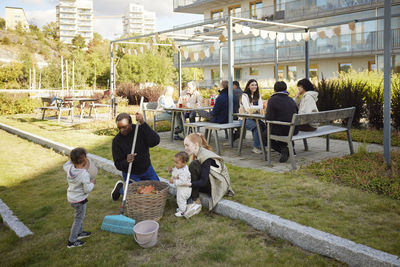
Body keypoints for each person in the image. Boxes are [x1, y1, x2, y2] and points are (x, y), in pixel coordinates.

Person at [182, 133, 234, 219]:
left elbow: (203, 181)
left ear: (196, 145)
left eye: (187, 145)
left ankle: (196, 201)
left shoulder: (206, 157)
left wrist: (189, 184)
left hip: (217, 185)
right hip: (209, 181)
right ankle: (188, 199)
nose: (185, 148)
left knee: (193, 166)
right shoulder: (199, 151)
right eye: (184, 145)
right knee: (188, 173)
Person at [111, 112, 160, 201]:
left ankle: (126, 187)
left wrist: (142, 122)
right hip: (131, 172)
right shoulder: (117, 141)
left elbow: (155, 141)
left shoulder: (139, 130)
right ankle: (121, 189)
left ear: (130, 124)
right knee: (136, 196)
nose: (122, 130)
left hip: (146, 168)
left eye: (124, 127)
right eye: (119, 128)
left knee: (157, 190)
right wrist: (126, 161)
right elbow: (118, 164)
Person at [64, 147, 97, 248]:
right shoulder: (84, 174)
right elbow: (87, 189)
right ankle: (72, 241)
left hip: (72, 198)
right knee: (78, 218)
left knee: (79, 216)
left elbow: (65, 164)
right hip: (79, 200)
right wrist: (92, 183)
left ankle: (79, 233)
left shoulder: (69, 168)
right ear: (84, 159)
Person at [264, 81, 298, 163]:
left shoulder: (272, 100)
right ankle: (289, 148)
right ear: (285, 89)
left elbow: (269, 118)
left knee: (264, 135)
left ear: (275, 90)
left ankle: (284, 150)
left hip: (282, 129)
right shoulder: (291, 100)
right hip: (294, 129)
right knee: (278, 129)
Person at [240, 79, 265, 154]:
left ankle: (264, 145)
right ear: (248, 86)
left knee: (264, 126)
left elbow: (261, 106)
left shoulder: (258, 95)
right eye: (252, 85)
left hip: (255, 118)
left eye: (256, 85)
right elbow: (247, 109)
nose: (255, 86)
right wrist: (257, 107)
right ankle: (256, 147)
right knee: (257, 127)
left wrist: (252, 106)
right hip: (244, 119)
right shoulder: (244, 96)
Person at [168, 151, 192, 218]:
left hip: (185, 190)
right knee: (180, 200)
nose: (175, 164)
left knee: (180, 200)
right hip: (181, 189)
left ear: (184, 163)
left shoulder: (185, 172)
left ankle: (182, 212)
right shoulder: (179, 167)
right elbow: (175, 173)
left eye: (176, 163)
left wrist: (174, 181)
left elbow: (183, 181)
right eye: (174, 162)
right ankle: (182, 208)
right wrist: (171, 171)